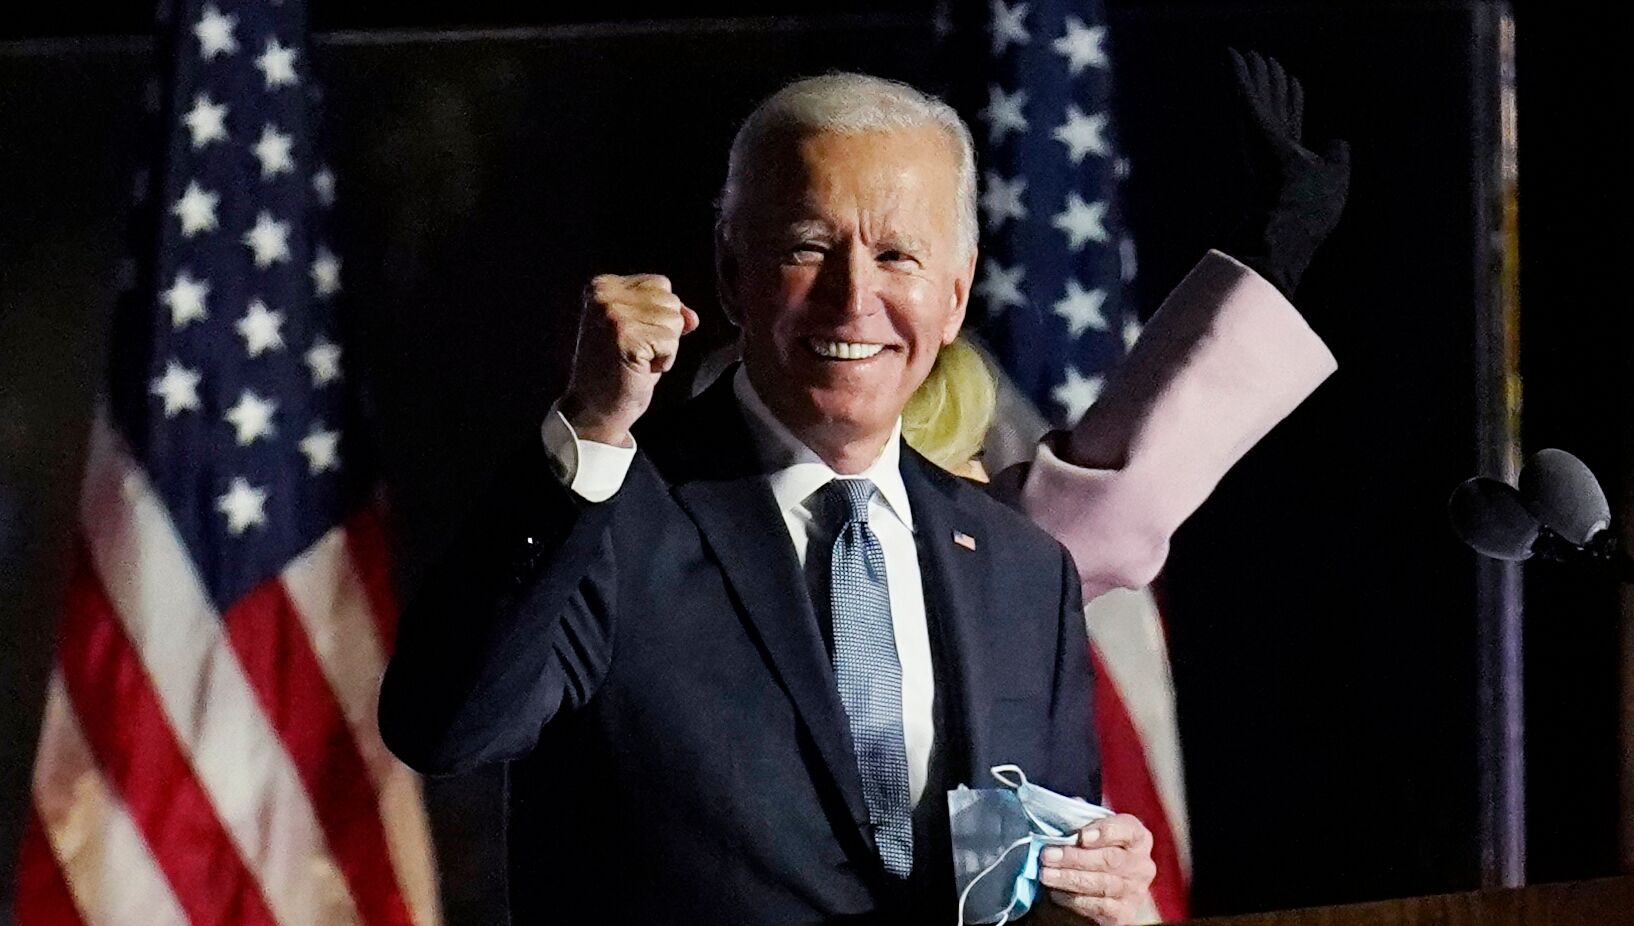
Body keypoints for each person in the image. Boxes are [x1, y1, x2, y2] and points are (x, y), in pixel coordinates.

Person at [382, 73, 1157, 925]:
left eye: (896, 256)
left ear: (954, 295)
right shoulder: (607, 518)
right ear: (730, 273)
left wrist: (1089, 886)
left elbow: (1037, 871)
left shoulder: (1021, 568)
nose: (852, 298)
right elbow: (444, 729)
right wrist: (593, 425)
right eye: (807, 247)